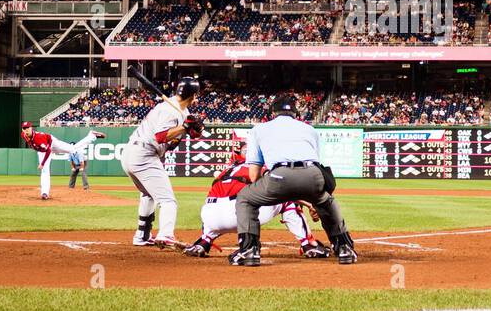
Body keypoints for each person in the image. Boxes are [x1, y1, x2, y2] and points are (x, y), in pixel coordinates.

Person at [231, 94, 356, 267]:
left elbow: (253, 176)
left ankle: (249, 250)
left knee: (245, 198)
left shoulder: (258, 130)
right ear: (296, 114)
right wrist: (312, 201)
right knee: (326, 201)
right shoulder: (309, 129)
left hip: (279, 176)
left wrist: (268, 191)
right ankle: (344, 248)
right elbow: (315, 163)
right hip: (313, 174)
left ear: (272, 113)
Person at [183, 152, 329, 258]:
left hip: (210, 217)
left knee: (215, 204)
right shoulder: (258, 166)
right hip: (238, 216)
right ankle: (309, 245)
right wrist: (309, 204)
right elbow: (282, 189)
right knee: (287, 201)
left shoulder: (226, 170)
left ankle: (202, 243)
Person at [120, 78, 205, 248]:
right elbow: (160, 137)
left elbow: (174, 142)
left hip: (133, 153)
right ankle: (166, 234)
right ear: (193, 95)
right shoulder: (169, 110)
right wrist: (185, 128)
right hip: (144, 154)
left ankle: (142, 235)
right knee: (168, 201)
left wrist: (194, 130)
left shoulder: (182, 110)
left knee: (148, 195)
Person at [20, 121, 105, 200]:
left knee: (72, 149)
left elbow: (48, 150)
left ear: (31, 128)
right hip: (42, 150)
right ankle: (45, 193)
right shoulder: (23, 135)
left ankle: (92, 136)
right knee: (45, 171)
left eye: (28, 128)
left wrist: (42, 163)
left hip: (52, 143)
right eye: (24, 128)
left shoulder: (38, 138)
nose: (26, 130)